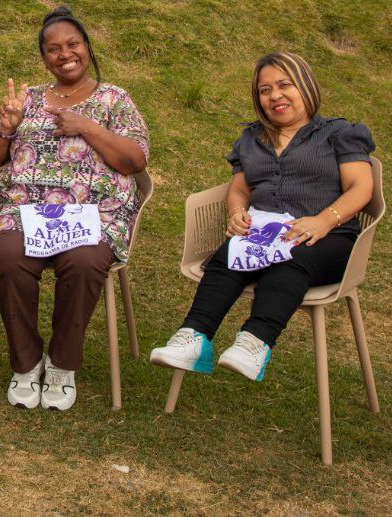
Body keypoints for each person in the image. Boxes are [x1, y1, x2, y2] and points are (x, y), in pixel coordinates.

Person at [150, 51, 374, 382]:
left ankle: (255, 342)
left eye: (285, 85)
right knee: (227, 254)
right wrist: (237, 213)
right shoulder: (252, 139)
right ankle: (194, 339)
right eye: (264, 90)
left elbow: (361, 187)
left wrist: (324, 220)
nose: (275, 96)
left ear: (306, 86)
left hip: (329, 240)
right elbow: (239, 189)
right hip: (265, 235)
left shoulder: (337, 133)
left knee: (293, 254)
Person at [0, 6, 149, 411]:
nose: (64, 54)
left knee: (86, 260)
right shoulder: (29, 99)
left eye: (73, 44)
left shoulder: (115, 99)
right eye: (53, 49)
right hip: (26, 210)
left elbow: (135, 160)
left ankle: (61, 363)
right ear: (44, 58)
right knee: (8, 254)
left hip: (95, 213)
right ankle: (25, 362)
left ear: (87, 48)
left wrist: (86, 126)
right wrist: (7, 125)